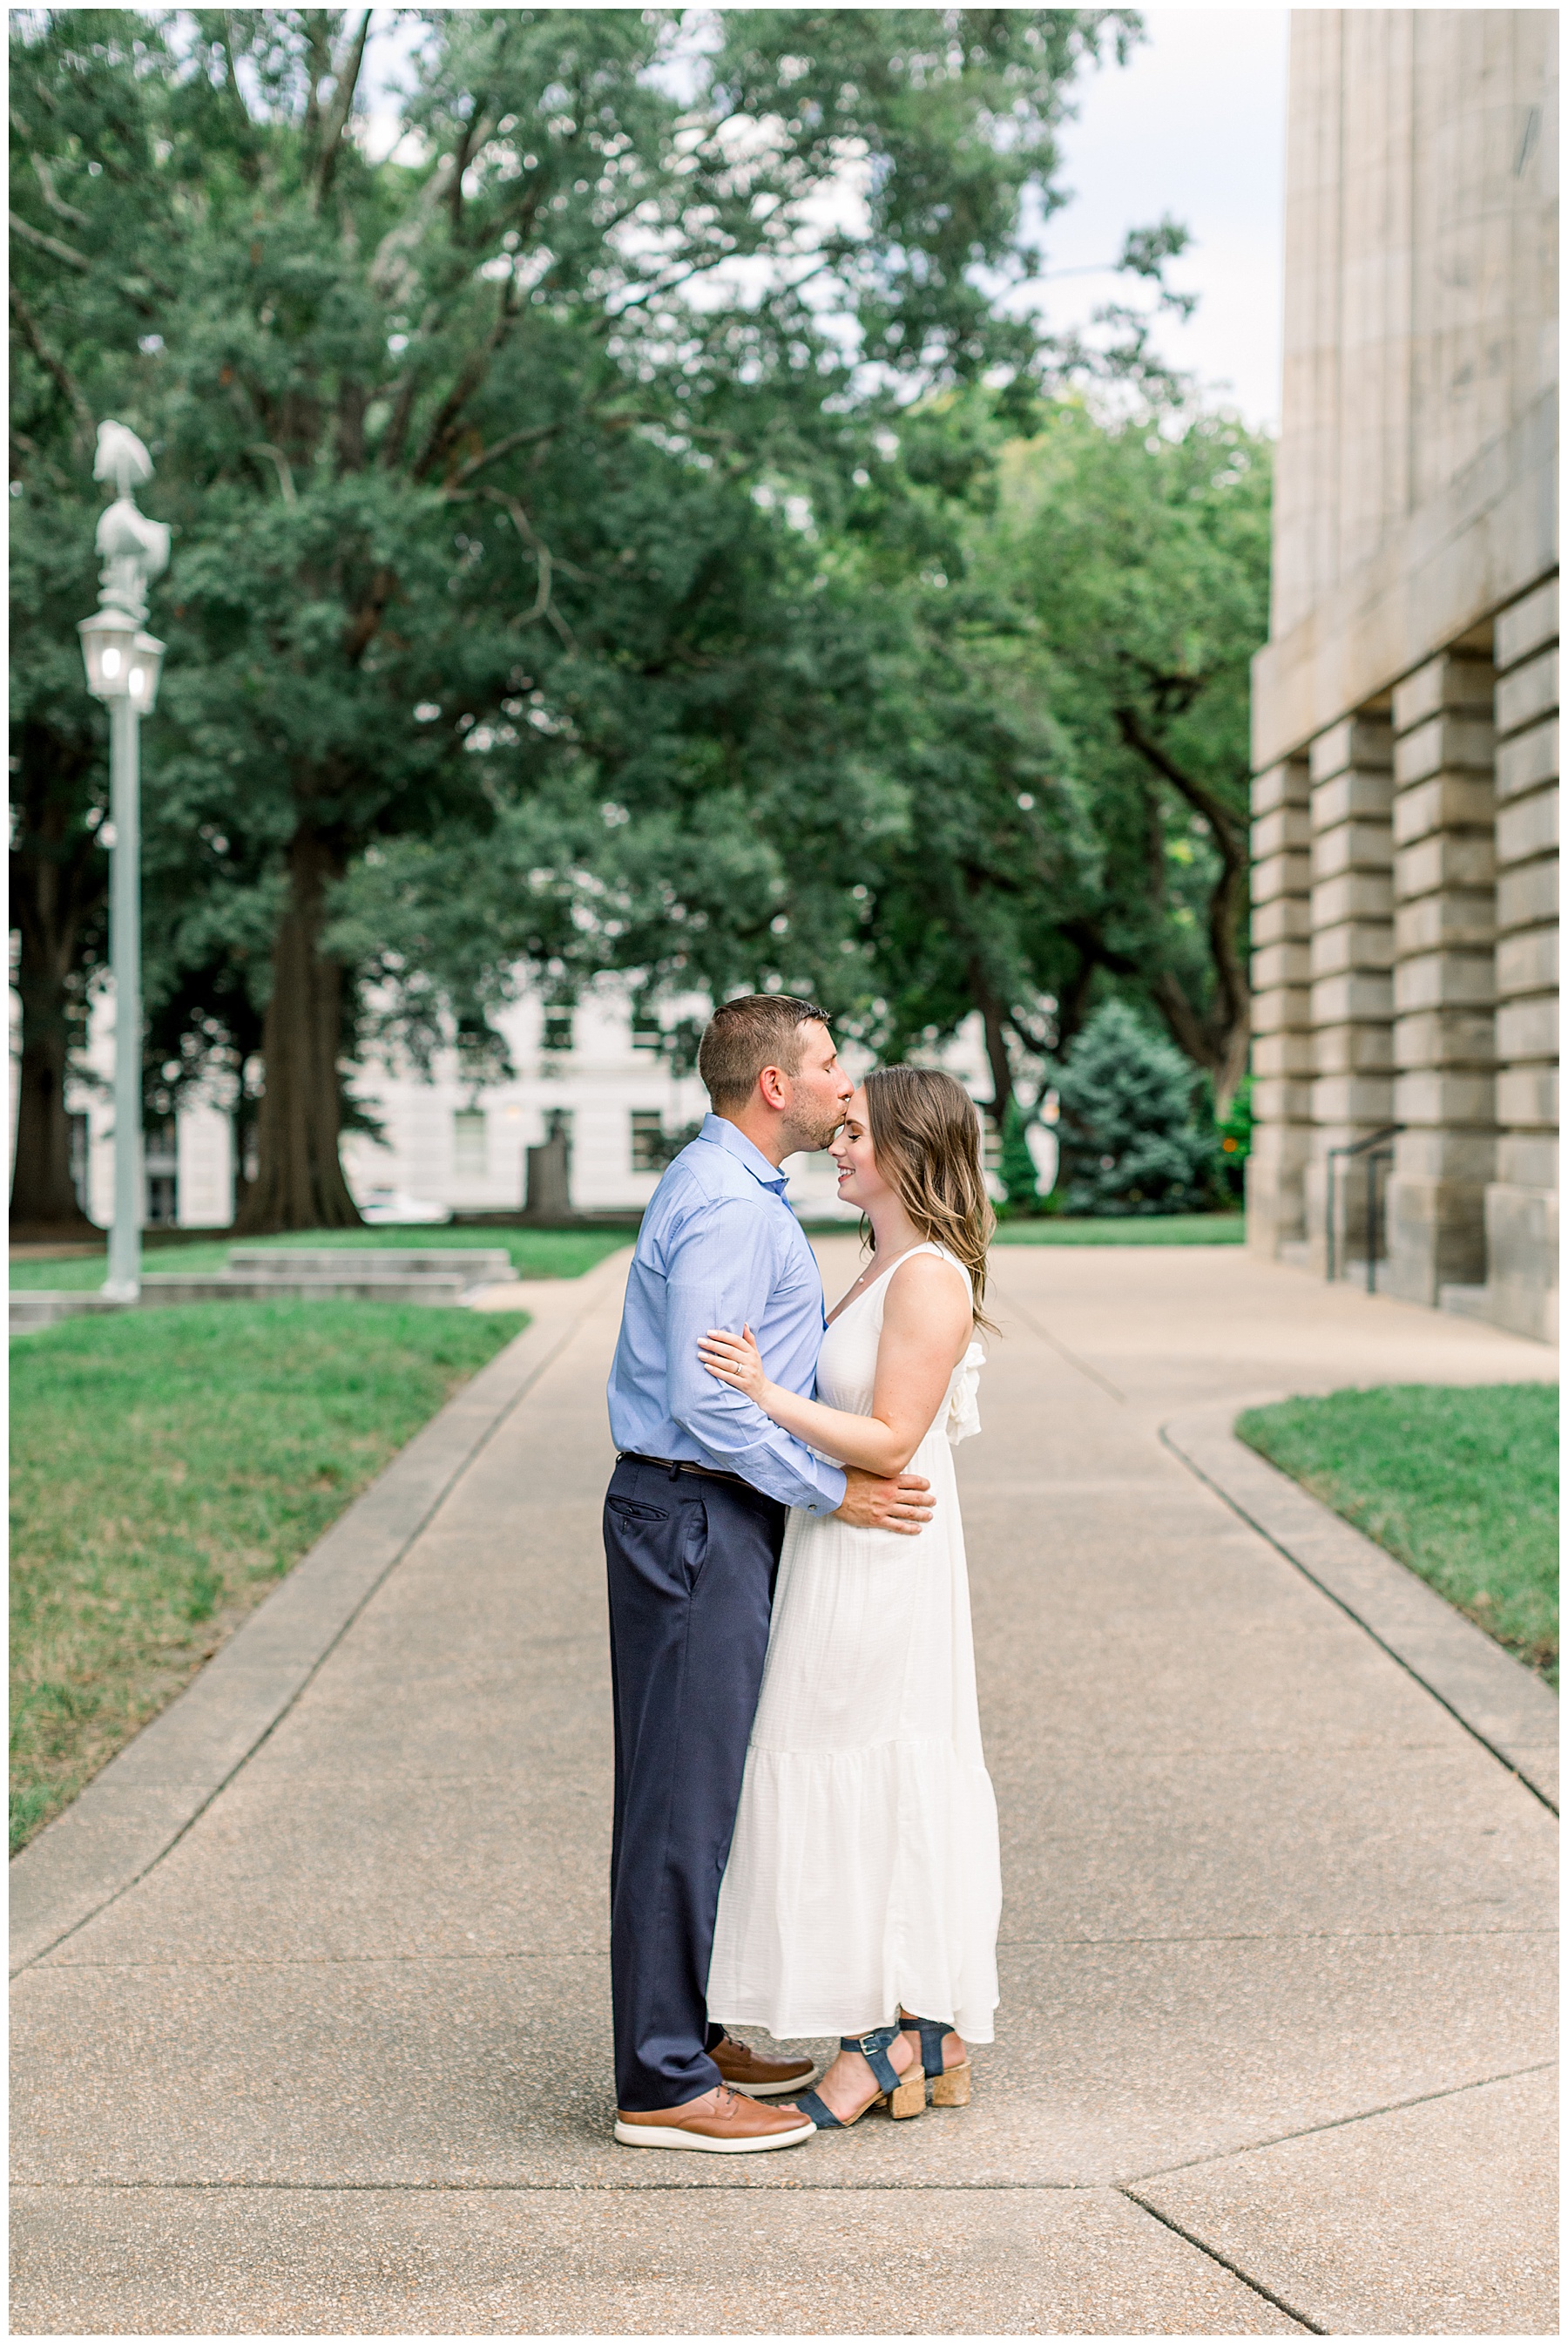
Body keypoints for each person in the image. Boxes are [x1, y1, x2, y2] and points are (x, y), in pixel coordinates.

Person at [604, 996, 937, 2156]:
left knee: (689, 1787)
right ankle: (662, 2080)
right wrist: (833, 1491)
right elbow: (708, 1403)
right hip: (696, 1509)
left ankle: (684, 2035)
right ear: (775, 1086)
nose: (847, 1084)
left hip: (699, 1508)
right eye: (830, 1063)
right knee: (679, 1798)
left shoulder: (732, 1190)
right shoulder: (730, 1207)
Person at [700, 1066, 1002, 2130]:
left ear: (910, 1152)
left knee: (874, 1769)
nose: (837, 1140)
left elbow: (890, 1438)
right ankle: (923, 2034)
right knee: (841, 1762)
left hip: (885, 1559)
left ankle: (884, 2039)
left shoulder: (928, 1276)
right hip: (844, 1544)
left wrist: (762, 1393)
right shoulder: (879, 1262)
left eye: (858, 1131)